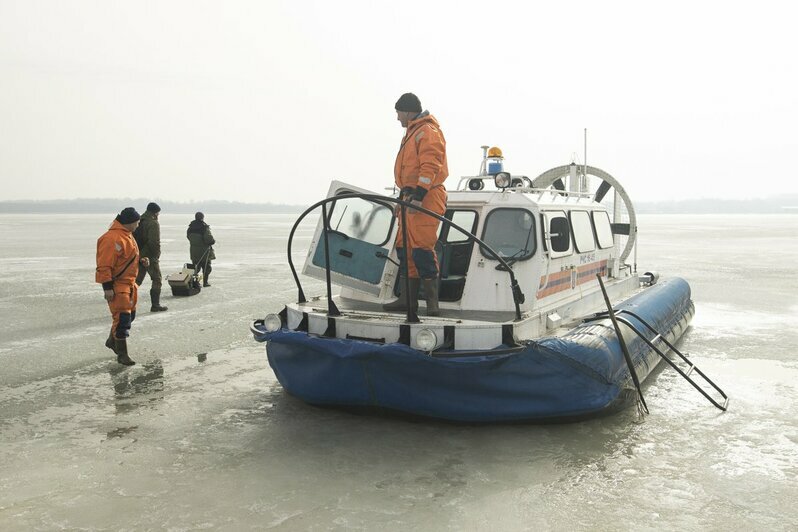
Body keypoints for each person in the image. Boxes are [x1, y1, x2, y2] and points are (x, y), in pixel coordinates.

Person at [383, 92, 448, 316]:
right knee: (405, 249)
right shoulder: (413, 133)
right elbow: (410, 171)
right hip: (410, 197)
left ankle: (432, 304)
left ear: (408, 111)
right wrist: (404, 197)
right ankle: (408, 301)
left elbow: (430, 166)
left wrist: (419, 196)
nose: (397, 118)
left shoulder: (427, 132)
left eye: (398, 113)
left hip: (427, 199)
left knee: (421, 249)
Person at [96, 207, 149, 366]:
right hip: (118, 285)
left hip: (129, 284)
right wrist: (107, 287)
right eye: (137, 223)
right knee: (122, 320)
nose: (138, 226)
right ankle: (122, 354)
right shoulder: (111, 238)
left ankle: (112, 341)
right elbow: (104, 265)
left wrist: (141, 262)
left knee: (129, 316)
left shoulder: (127, 236)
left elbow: (125, 260)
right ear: (129, 222)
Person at [134, 202, 168, 311]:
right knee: (157, 279)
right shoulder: (153, 223)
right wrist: (156, 255)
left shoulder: (139, 220)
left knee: (137, 280)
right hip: (149, 256)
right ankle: (155, 305)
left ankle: (126, 300)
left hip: (137, 254)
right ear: (155, 212)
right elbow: (154, 242)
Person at [187, 212, 216, 287]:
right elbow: (209, 239)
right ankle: (205, 282)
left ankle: (195, 283)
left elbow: (188, 237)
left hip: (194, 252)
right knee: (207, 268)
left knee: (195, 268)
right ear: (202, 217)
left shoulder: (190, 227)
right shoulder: (204, 227)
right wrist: (213, 241)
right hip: (204, 252)